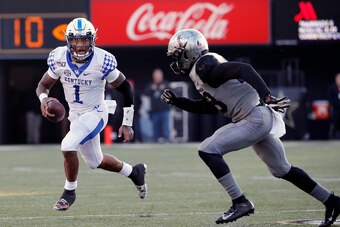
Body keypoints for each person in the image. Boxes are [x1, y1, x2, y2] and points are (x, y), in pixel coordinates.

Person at [161, 29, 340, 227]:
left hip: (253, 118)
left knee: (207, 149)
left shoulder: (204, 66)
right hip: (256, 118)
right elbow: (212, 107)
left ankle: (240, 202)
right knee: (282, 169)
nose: (177, 62)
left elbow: (244, 69)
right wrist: (180, 102)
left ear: (189, 52)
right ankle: (332, 201)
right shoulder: (204, 68)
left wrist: (266, 95)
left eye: (178, 56)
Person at [36, 17, 147, 211]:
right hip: (76, 116)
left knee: (67, 145)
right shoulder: (59, 58)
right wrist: (43, 99)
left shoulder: (102, 60)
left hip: (96, 113)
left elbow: (126, 89)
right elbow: (43, 85)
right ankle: (134, 172)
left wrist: (127, 122)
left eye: (85, 40)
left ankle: (69, 192)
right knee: (95, 162)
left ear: (92, 40)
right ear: (68, 40)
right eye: (76, 40)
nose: (80, 45)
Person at [143, 68, 171, 142]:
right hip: (154, 110)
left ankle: (167, 139)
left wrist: (164, 89)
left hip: (164, 110)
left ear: (161, 76)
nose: (158, 77)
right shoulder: (150, 84)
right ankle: (155, 140)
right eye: (156, 76)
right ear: (154, 77)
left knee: (165, 127)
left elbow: (171, 93)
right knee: (155, 127)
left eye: (159, 76)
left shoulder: (166, 83)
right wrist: (152, 89)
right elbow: (145, 93)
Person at [327, 72, 340, 139]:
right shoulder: (332, 88)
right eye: (338, 79)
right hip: (336, 109)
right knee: (335, 123)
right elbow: (330, 98)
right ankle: (334, 136)